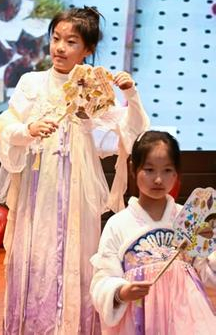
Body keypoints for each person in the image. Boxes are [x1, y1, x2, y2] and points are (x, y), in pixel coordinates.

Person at [0, 6, 149, 334]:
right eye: (56, 38)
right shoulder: (32, 83)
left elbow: (131, 132)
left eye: (71, 42)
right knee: (38, 254)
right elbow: (5, 124)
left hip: (78, 190)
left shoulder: (94, 89)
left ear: (87, 49)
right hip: (39, 190)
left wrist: (130, 94)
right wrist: (28, 129)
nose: (60, 48)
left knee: (76, 256)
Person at [90, 131, 216, 334]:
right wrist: (122, 291)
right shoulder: (118, 224)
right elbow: (102, 279)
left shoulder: (189, 219)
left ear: (176, 173)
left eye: (167, 170)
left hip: (186, 318)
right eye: (149, 170)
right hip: (138, 319)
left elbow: (206, 275)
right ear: (133, 169)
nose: (158, 179)